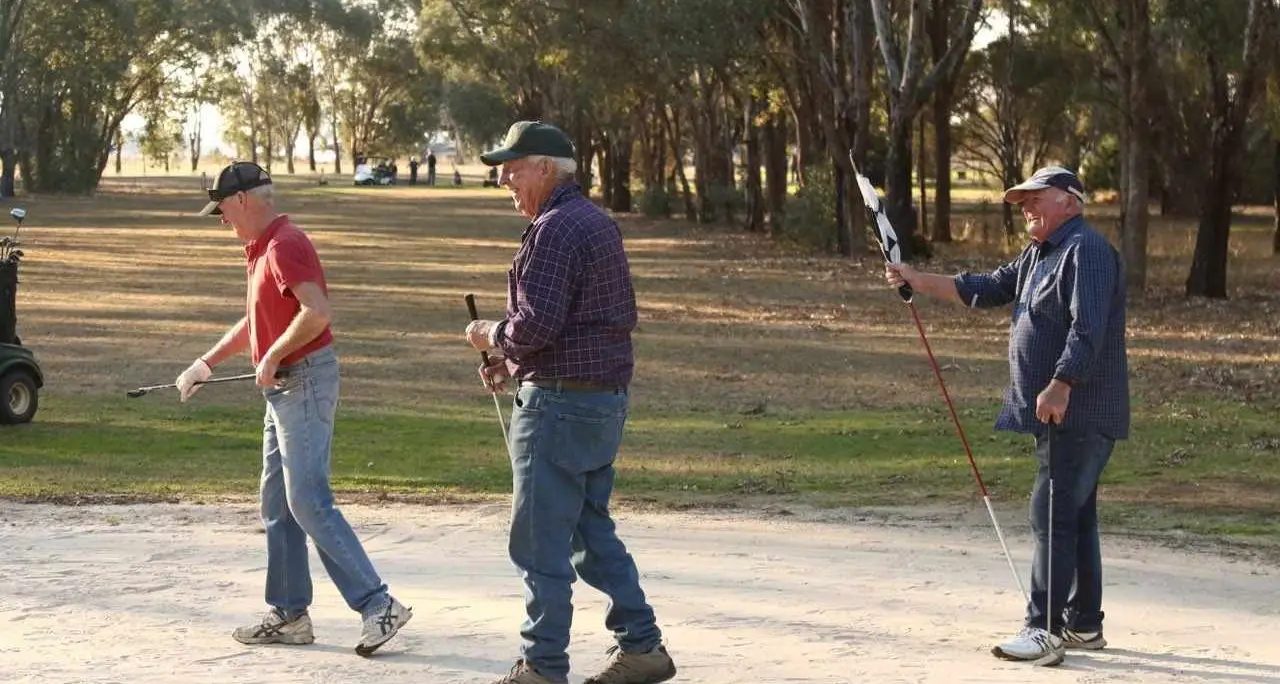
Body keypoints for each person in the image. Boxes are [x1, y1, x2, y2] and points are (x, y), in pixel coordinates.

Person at [884, 166, 1129, 664]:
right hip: (1060, 412)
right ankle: (1083, 624)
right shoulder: (1042, 253)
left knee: (1051, 511)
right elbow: (986, 288)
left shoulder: (1087, 250)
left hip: (1078, 409)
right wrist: (914, 278)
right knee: (1076, 515)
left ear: (1069, 200)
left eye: (1036, 199)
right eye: (1022, 202)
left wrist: (1061, 384)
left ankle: (1043, 629)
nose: (1026, 209)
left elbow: (1088, 330)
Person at [464, 121, 677, 684]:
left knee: (538, 542)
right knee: (588, 531)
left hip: (558, 409)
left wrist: (492, 337)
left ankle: (542, 666)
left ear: (545, 168)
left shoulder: (555, 229)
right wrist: (512, 366)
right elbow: (575, 325)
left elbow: (536, 324)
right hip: (599, 403)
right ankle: (642, 647)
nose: (505, 178)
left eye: (513, 166)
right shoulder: (594, 222)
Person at [181, 161, 412, 657]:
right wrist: (206, 363)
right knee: (278, 505)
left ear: (243, 199)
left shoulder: (286, 244)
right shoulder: (260, 249)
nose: (221, 219)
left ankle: (378, 605)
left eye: (221, 208)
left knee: (307, 500)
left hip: (303, 380)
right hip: (284, 386)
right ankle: (289, 615)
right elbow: (255, 321)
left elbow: (317, 312)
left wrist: (274, 354)